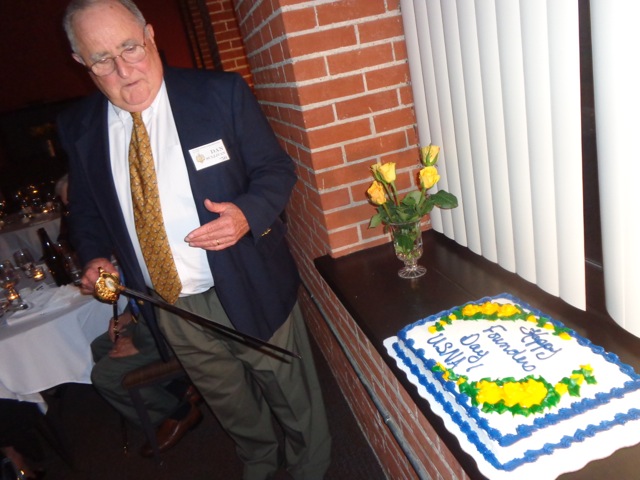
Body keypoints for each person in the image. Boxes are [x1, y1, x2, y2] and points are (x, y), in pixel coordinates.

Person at [57, 1, 331, 478]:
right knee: (230, 401)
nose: (124, 70)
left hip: (248, 278)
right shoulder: (79, 127)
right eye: (102, 59)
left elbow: (275, 169)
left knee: (290, 392)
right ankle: (260, 462)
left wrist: (246, 214)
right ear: (81, 62)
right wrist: (95, 253)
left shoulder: (218, 93)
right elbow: (87, 210)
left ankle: (312, 466)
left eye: (130, 47)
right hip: (170, 302)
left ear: (150, 34)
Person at [90, 307, 202, 457]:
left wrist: (138, 344)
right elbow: (139, 291)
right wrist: (129, 313)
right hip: (151, 321)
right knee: (100, 346)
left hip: (173, 326)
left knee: (103, 376)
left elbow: (160, 299)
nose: (83, 281)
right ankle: (177, 390)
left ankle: (179, 412)